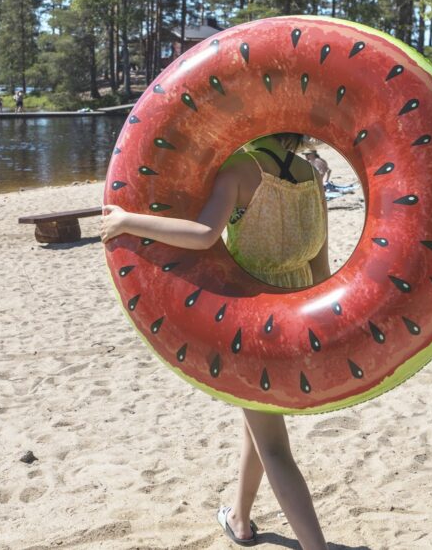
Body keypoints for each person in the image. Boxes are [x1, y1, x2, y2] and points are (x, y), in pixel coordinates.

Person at [100, 132, 330, 549]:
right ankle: (241, 520)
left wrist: (126, 221)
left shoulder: (241, 168)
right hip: (297, 315)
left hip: (253, 318)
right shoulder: (312, 175)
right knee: (258, 427)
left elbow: (204, 234)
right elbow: (321, 267)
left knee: (274, 446)